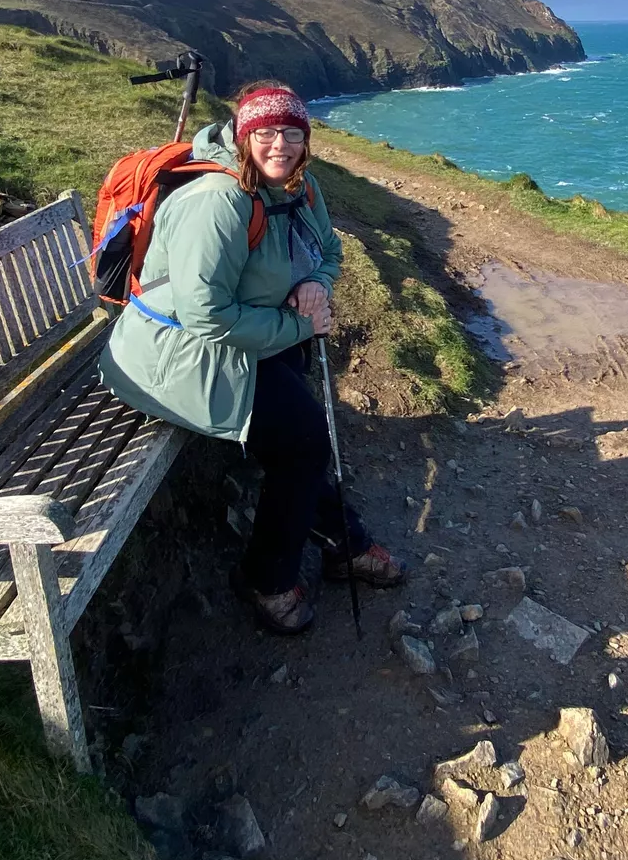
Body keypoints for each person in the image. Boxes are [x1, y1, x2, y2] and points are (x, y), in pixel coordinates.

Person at [97, 82, 406, 634]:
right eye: (265, 132)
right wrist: (297, 322)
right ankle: (267, 580)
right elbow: (205, 316)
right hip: (178, 356)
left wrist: (315, 283)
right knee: (305, 442)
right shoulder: (217, 202)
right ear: (243, 136)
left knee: (298, 436)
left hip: (246, 337)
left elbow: (329, 251)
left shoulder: (299, 186)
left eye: (292, 132)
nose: (280, 144)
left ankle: (344, 544)